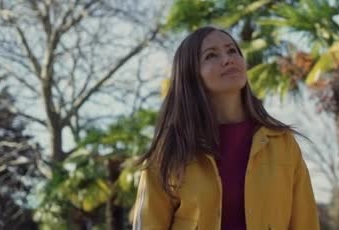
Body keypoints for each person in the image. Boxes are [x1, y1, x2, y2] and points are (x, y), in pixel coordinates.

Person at [132, 26, 320, 229]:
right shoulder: (168, 152)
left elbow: (305, 223)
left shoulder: (283, 143)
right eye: (211, 55)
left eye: (232, 51)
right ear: (191, 75)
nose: (227, 59)